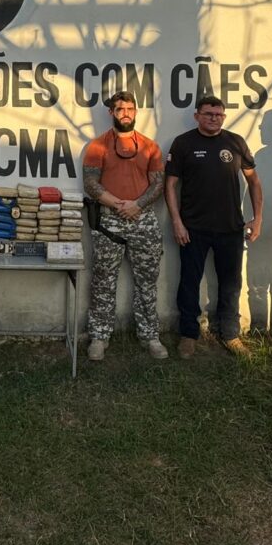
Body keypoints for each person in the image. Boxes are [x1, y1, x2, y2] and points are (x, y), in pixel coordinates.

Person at [165, 96, 263, 358]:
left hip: (230, 228)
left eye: (219, 115)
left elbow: (254, 182)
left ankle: (230, 334)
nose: (214, 118)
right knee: (189, 282)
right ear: (197, 115)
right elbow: (170, 185)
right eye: (208, 114)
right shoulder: (183, 143)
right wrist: (177, 221)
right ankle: (188, 335)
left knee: (231, 284)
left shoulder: (236, 142)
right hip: (193, 228)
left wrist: (258, 218)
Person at [83, 91, 167, 361]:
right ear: (112, 112)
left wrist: (137, 205)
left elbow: (158, 183)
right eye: (120, 109)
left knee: (147, 281)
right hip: (109, 220)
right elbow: (90, 183)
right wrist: (118, 204)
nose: (126, 113)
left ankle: (150, 336)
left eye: (130, 109)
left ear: (136, 111)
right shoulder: (98, 146)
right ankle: (99, 336)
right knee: (103, 280)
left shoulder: (150, 146)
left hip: (143, 220)